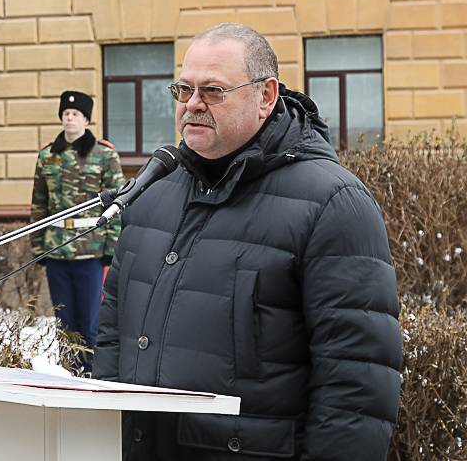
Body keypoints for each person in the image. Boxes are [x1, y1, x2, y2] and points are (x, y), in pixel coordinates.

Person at [95, 24, 402, 460]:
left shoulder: (332, 202)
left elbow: (356, 385)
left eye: (213, 92)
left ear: (265, 96)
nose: (192, 105)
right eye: (183, 90)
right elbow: (112, 337)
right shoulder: (153, 193)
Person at [31, 91, 125, 374]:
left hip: (92, 249)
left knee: (90, 318)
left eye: (74, 114)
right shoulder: (48, 155)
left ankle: (94, 372)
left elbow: (118, 204)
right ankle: (69, 371)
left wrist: (113, 249)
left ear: (86, 119)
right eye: (65, 114)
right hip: (57, 247)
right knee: (64, 319)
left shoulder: (105, 154)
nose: (69, 118)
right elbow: (39, 204)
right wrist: (38, 248)